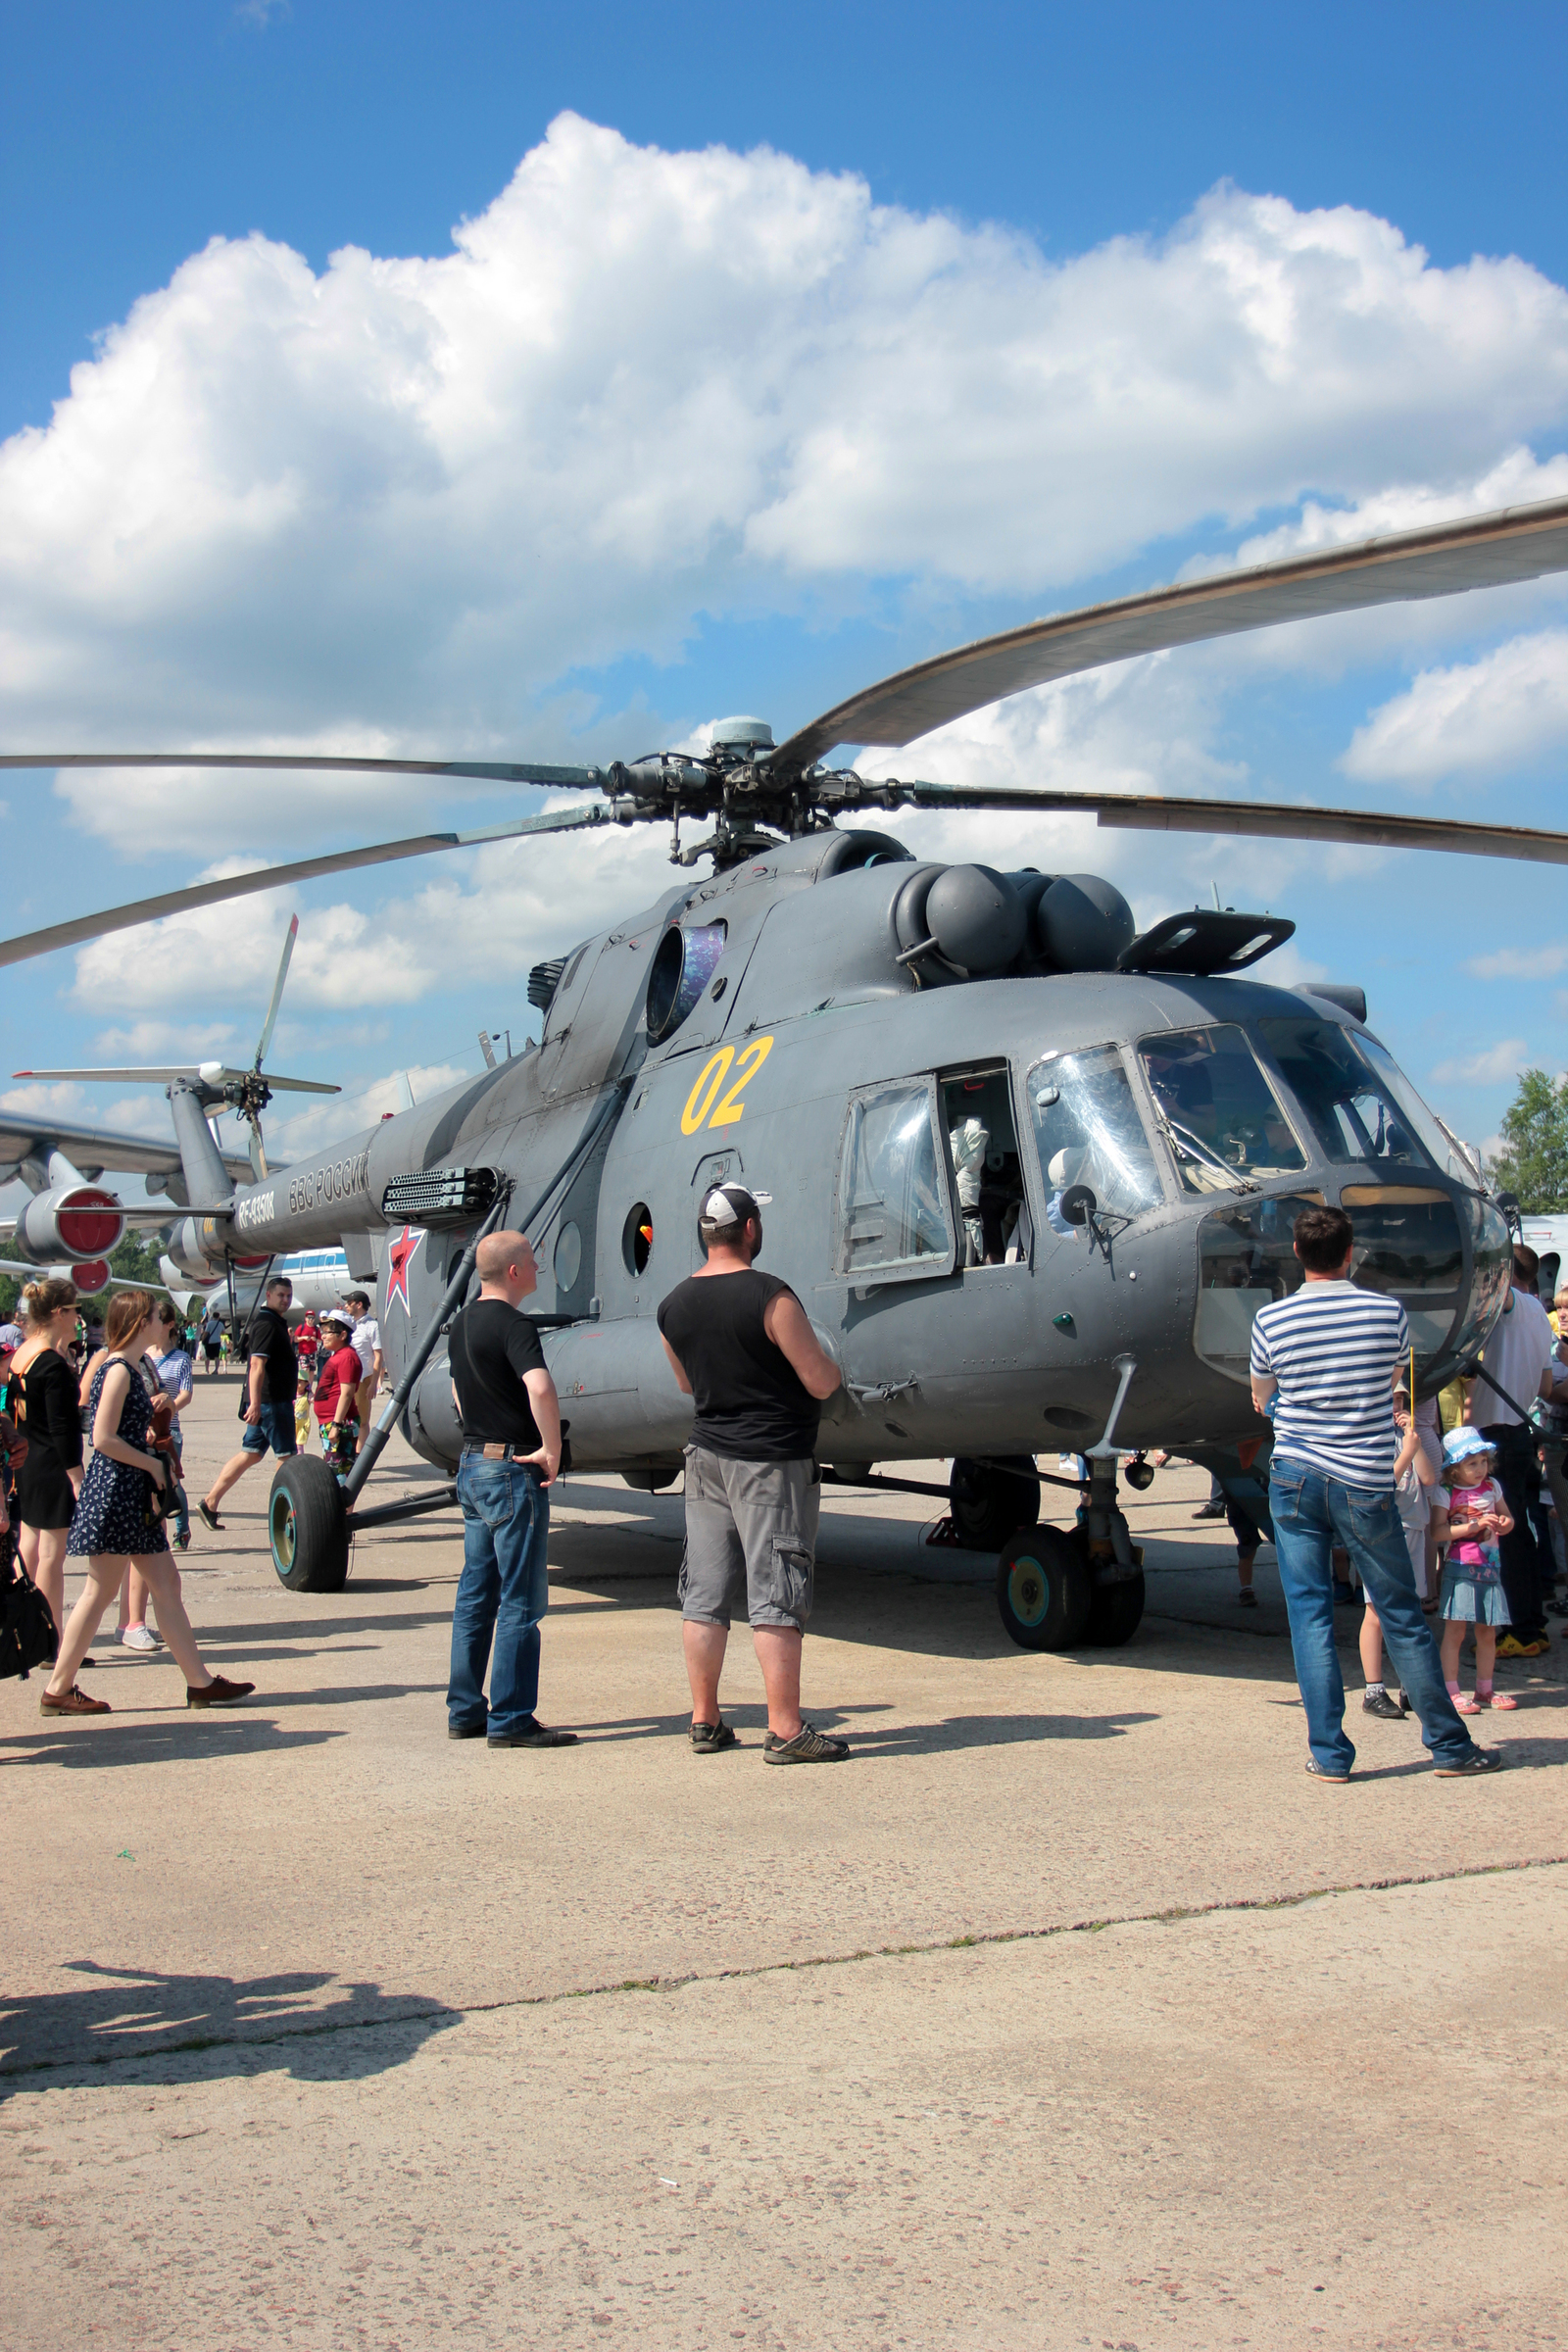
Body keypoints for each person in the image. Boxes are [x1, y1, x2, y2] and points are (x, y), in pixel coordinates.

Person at [1250, 1202, 1499, 1780]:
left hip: (1295, 1475)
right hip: (1364, 1478)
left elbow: (1263, 1390)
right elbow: (1391, 1379)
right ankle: (1448, 1745)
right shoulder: (1387, 1314)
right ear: (1349, 1252)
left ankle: (1331, 1753)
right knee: (1400, 1611)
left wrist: (1282, 1400)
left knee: (1309, 1614)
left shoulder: (1272, 1320)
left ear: (1297, 1253)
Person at [657, 1182, 848, 1763]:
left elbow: (686, 1383)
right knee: (777, 1593)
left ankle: (705, 1720)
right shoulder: (772, 1297)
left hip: (706, 1457)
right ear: (749, 1229)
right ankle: (786, 1729)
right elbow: (820, 1380)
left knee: (705, 1594)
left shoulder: (673, 1305)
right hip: (770, 1460)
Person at [39, 1291, 254, 1718]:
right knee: (100, 1591)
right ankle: (58, 1689)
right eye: (158, 1315)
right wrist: (151, 1465)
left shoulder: (129, 1366)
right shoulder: (119, 1368)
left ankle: (200, 1683)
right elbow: (101, 1438)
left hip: (126, 1492)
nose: (166, 1321)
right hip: (119, 1491)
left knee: (163, 1585)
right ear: (141, 1322)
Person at [445, 1230, 573, 1748]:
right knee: (521, 1599)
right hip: (510, 1469)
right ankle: (512, 1717)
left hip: (474, 1463)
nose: (539, 1268)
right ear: (514, 1272)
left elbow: (456, 1389)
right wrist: (550, 1448)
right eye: (533, 1262)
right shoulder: (514, 1324)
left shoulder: (461, 1323)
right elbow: (539, 1385)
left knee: (476, 1593)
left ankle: (466, 1709)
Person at [1464, 1245, 1557, 1658]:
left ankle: (1517, 1627)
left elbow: (1498, 1294)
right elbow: (1546, 1388)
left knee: (1508, 1534)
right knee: (1521, 1533)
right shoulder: (1539, 1310)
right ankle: (1532, 1625)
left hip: (1499, 1433)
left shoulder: (1512, 1303)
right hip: (1521, 1430)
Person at [10, 1279, 85, 1635]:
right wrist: (76, 1475)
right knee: (52, 1558)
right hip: (52, 1466)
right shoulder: (51, 1363)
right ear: (58, 1313)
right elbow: (63, 1428)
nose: (77, 1317)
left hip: (26, 1462)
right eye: (73, 1310)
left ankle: (25, 1625)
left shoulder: (22, 1355)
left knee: (29, 1547)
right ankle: (48, 1635)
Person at [198, 1276, 298, 1528]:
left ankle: (210, 1502)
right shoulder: (266, 1323)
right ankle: (281, 1514)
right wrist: (254, 1404)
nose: (285, 1300)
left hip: (269, 1401)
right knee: (286, 1457)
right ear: (269, 1295)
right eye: (280, 1296)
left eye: (288, 1295)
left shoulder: (274, 1322)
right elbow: (256, 1364)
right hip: (271, 1402)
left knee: (250, 1454)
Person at [1437, 1427, 1518, 1714]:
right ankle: (1451, 1690)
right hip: (1460, 1568)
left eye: (1483, 1461)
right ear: (1454, 1469)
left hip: (1490, 1569)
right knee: (1455, 1632)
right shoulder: (1447, 1491)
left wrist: (1506, 1524)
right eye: (1472, 1463)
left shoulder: (1492, 1487)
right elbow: (1437, 1531)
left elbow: (1507, 1516)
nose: (1480, 1468)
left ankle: (1485, 1688)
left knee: (1487, 1633)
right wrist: (1469, 1528)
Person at [313, 1311, 364, 1474]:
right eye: (323, 1332)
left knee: (339, 1474)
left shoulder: (347, 1357)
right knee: (333, 1471)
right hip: (330, 1421)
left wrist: (337, 1424)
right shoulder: (339, 1355)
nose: (324, 1336)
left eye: (328, 1333)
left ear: (342, 1335)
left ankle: (343, 1501)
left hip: (341, 1423)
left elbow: (347, 1393)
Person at [342, 1291, 384, 1455]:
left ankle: (359, 1456)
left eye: (349, 1303)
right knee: (344, 1418)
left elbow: (378, 1356)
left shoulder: (371, 1326)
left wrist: (374, 1383)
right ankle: (347, 1452)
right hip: (345, 1378)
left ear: (359, 1305)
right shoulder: (347, 1325)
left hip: (362, 1378)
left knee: (362, 1420)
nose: (346, 1306)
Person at [199, 1307, 222, 1375]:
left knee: (208, 1356)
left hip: (209, 1341)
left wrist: (203, 1339)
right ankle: (216, 1370)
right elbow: (223, 1332)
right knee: (217, 1356)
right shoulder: (220, 1324)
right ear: (218, 1317)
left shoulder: (209, 1323)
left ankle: (206, 1369)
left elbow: (206, 1332)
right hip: (217, 1341)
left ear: (213, 1316)